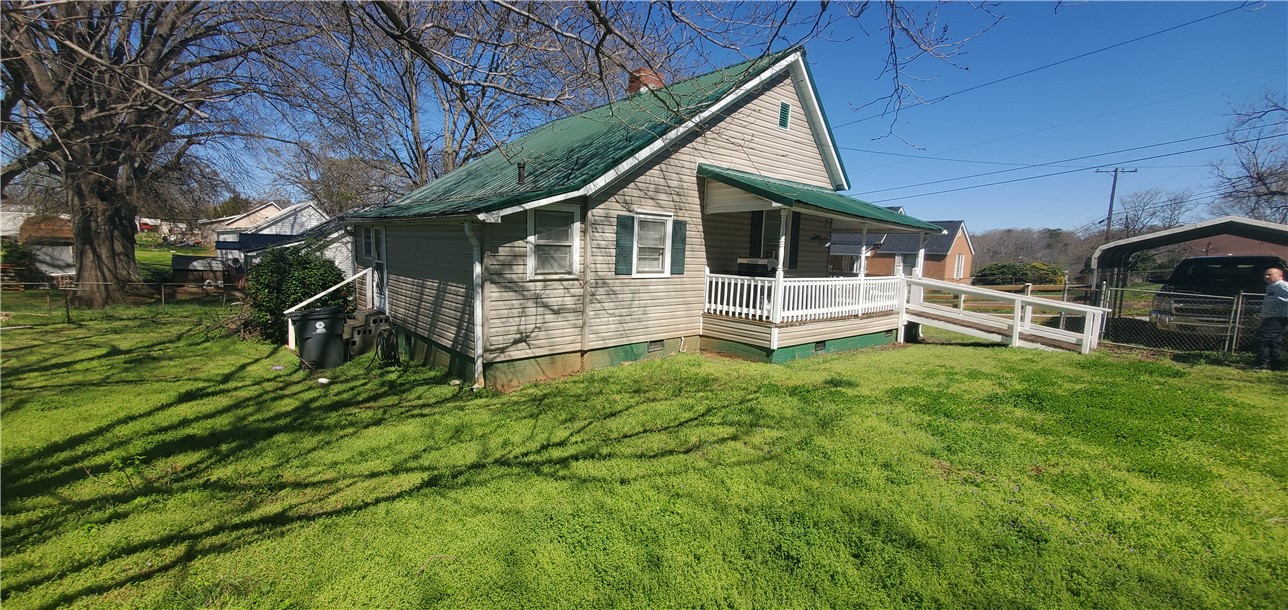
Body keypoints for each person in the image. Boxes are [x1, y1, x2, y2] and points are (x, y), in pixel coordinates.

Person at [1252, 267, 1288, 371]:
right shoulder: (1271, 287)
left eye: (1270, 274)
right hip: (1271, 318)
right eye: (1265, 275)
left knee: (1262, 338)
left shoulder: (1282, 285)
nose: (1267, 276)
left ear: (1280, 276)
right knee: (1274, 341)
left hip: (1279, 319)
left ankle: (1262, 364)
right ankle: (1275, 364)